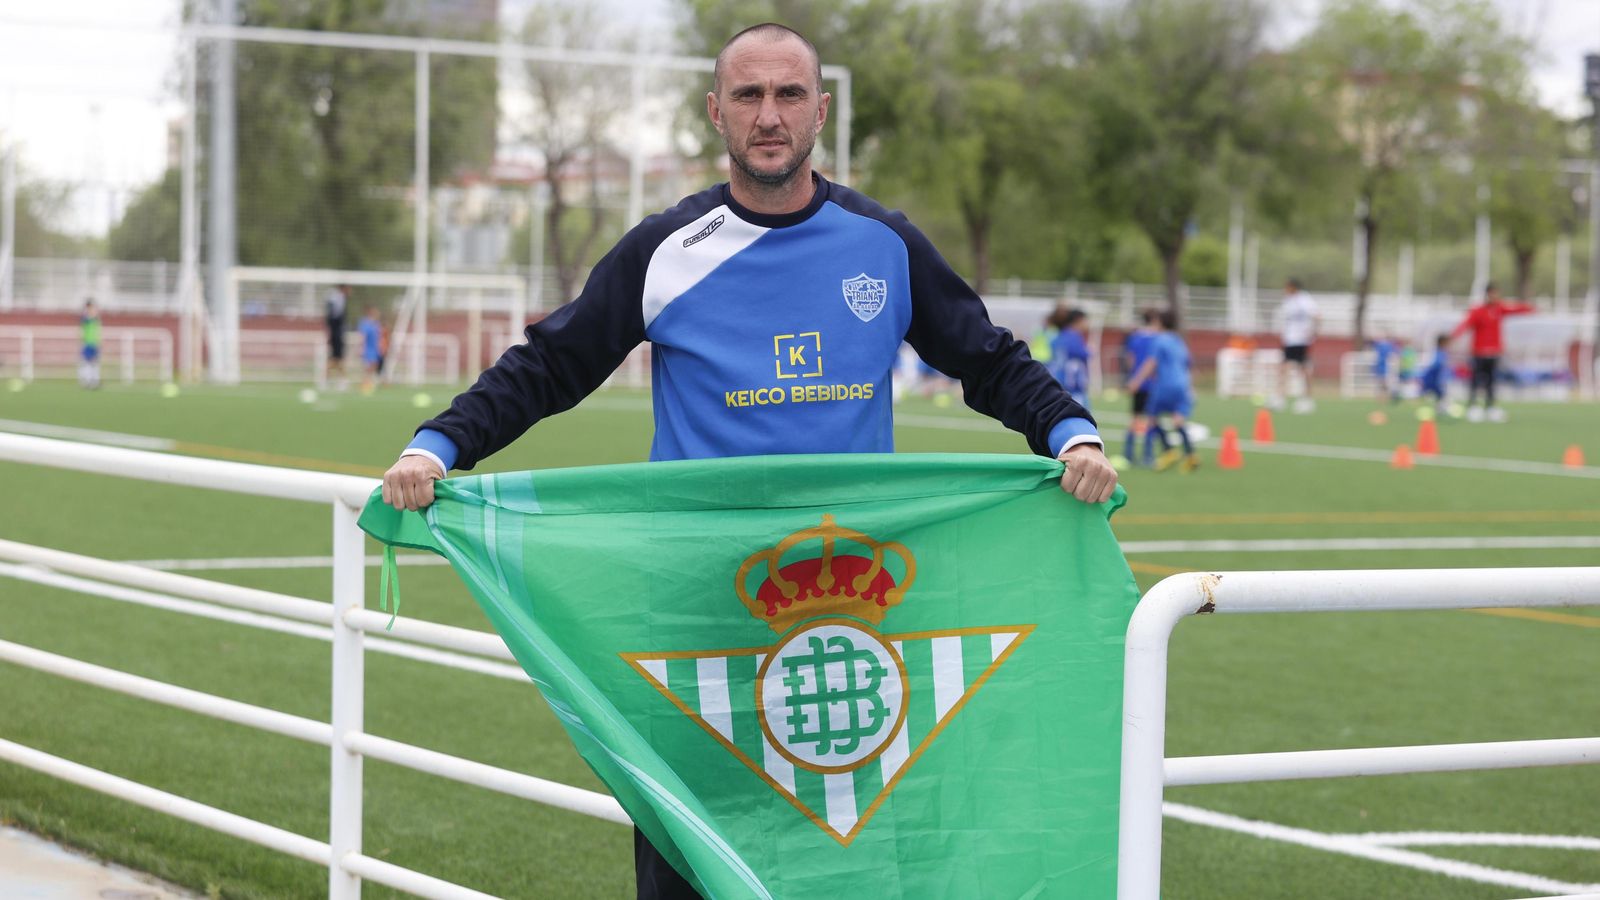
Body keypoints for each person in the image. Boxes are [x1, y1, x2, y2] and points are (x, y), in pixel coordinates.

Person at [379, 23, 1118, 899]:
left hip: (851, 599)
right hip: (697, 602)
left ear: (821, 110)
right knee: (691, 844)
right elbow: (551, 365)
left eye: (789, 95)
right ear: (716, 112)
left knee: (850, 836)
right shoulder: (664, 249)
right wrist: (438, 444)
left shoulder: (882, 244)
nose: (770, 116)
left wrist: (1070, 431)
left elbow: (987, 358)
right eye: (749, 96)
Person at [1450, 282, 1534, 422]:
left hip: (1494, 353)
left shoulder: (1499, 309)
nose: (1495, 296)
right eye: (1492, 293)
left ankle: (1490, 407)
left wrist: (1530, 308)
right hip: (1479, 353)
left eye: (1497, 293)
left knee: (1491, 381)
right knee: (1475, 380)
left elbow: (1515, 309)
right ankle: (1473, 407)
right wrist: (1453, 337)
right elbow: (1466, 324)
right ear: (1487, 294)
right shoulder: (1478, 311)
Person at [1127, 310, 1198, 473]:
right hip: (1182, 384)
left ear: (1159, 323)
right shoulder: (1179, 341)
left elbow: (1151, 362)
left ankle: (1169, 450)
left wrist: (1136, 381)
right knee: (1178, 420)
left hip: (1165, 385)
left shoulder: (1159, 340)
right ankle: (1191, 456)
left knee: (1151, 419)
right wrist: (1191, 387)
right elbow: (1187, 364)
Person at [1120, 309, 1160, 467]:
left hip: (1136, 383)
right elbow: (1155, 361)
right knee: (1151, 420)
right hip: (1152, 383)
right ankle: (1147, 456)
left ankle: (1128, 454)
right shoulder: (1157, 338)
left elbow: (1130, 359)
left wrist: (1132, 377)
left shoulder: (1135, 337)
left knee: (1134, 418)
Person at [1275, 277, 1318, 413]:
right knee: (1284, 368)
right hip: (1289, 340)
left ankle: (1307, 400)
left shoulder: (1304, 300)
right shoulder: (1288, 301)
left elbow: (1317, 316)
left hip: (1301, 340)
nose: (1285, 290)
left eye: (1287, 287)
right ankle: (1280, 398)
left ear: (1293, 287)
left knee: (1303, 370)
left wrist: (1313, 333)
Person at [1049, 307, 1092, 409]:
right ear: (1079, 320)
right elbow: (1081, 354)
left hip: (1059, 380)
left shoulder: (1059, 336)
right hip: (1072, 383)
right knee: (1081, 415)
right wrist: (1089, 350)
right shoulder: (1073, 336)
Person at [325, 284, 350, 389]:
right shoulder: (337, 299)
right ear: (344, 289)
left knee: (337, 358)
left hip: (337, 333)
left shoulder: (338, 299)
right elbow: (332, 318)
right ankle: (335, 380)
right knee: (337, 358)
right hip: (337, 334)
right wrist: (334, 333)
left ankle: (340, 380)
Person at [1418, 334, 1450, 415]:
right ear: (1442, 343)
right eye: (1447, 343)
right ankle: (1439, 409)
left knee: (1440, 395)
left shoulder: (1441, 352)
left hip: (1434, 378)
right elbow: (1436, 365)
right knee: (1439, 394)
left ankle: (1440, 409)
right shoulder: (1438, 353)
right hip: (1434, 379)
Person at [359, 306, 384, 394]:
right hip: (368, 348)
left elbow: (379, 337)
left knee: (374, 366)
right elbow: (363, 336)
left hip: (375, 348)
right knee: (369, 367)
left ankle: (369, 383)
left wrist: (380, 347)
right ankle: (365, 383)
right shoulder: (365, 323)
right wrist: (361, 348)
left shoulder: (376, 324)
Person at [79, 299, 102, 390]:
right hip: (87, 344)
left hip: (95, 344)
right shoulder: (85, 319)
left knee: (95, 363)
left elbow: (98, 331)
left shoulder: (96, 319)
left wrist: (99, 342)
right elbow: (82, 331)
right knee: (87, 363)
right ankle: (87, 381)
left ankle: (95, 381)